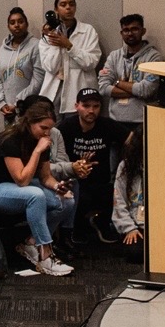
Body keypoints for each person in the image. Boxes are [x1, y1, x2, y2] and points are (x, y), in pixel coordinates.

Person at [0, 100, 76, 276]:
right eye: (43, 128)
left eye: (50, 129)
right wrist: (37, 152)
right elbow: (22, 180)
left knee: (65, 200)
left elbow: (46, 177)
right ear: (29, 123)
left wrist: (58, 186)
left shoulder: (41, 140)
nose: (47, 133)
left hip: (16, 188)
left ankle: (30, 242)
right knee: (35, 195)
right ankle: (45, 254)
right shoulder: (9, 140)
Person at [58, 88, 128, 241]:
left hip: (101, 182)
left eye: (96, 106)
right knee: (80, 197)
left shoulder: (106, 125)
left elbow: (132, 140)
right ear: (77, 106)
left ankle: (102, 223)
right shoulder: (65, 127)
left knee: (115, 193)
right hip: (74, 181)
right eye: (86, 106)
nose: (91, 111)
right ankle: (77, 228)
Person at [37, 0, 103, 115]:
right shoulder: (47, 34)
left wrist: (69, 45)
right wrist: (56, 42)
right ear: (56, 9)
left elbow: (90, 62)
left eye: (71, 4)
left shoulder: (88, 31)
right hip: (54, 92)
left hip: (79, 91)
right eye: (63, 5)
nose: (68, 7)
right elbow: (50, 67)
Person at [102, 13, 161, 125]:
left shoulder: (154, 57)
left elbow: (147, 90)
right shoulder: (114, 56)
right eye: (126, 30)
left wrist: (118, 83)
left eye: (134, 29)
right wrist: (136, 91)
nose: (130, 33)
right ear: (121, 33)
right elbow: (103, 88)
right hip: (115, 119)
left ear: (143, 31)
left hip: (142, 120)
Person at [0, 7, 42, 122]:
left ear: (26, 24)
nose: (16, 25)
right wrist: (1, 103)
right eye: (12, 22)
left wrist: (17, 102)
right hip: (8, 111)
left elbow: (38, 81)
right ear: (8, 26)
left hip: (28, 108)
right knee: (10, 139)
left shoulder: (36, 46)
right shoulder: (3, 48)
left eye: (20, 22)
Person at [113, 129, 146, 252]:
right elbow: (118, 200)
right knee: (136, 253)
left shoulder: (164, 165)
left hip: (159, 226)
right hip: (134, 222)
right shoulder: (125, 166)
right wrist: (129, 228)